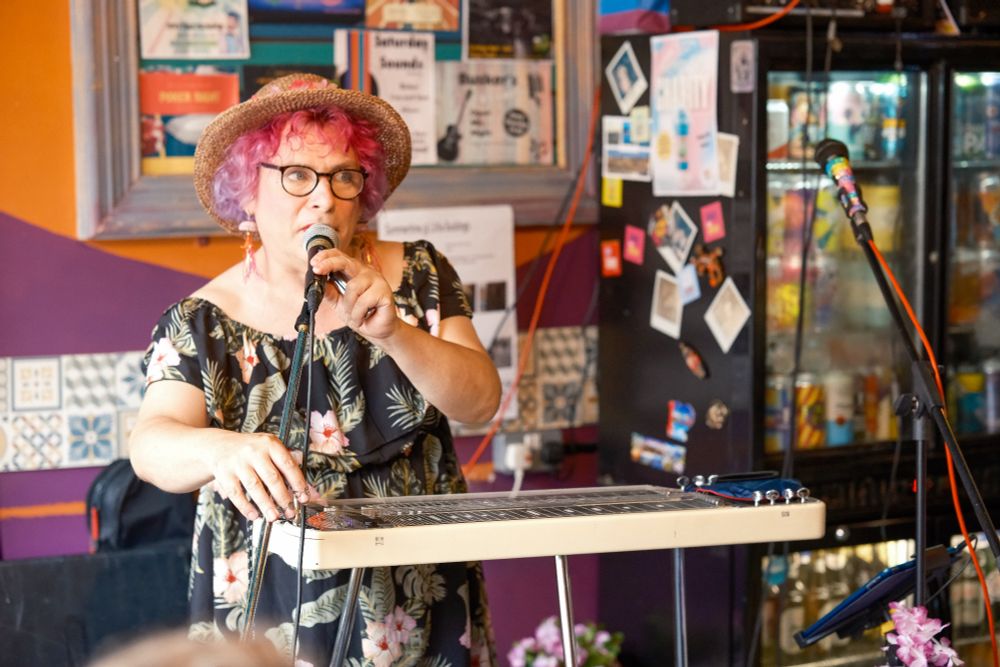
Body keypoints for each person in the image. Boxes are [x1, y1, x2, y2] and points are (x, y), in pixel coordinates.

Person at [129, 73, 502, 666]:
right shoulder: (200, 321)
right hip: (267, 607)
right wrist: (220, 450)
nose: (324, 198)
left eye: (343, 176)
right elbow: (150, 447)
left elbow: (481, 403)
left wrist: (396, 334)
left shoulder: (419, 274)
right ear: (247, 192)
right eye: (297, 175)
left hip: (421, 591)